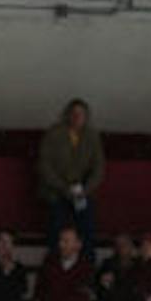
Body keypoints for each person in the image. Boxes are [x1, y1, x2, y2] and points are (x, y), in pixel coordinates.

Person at [36, 98, 103, 244]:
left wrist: (85, 189)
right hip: (56, 191)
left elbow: (98, 168)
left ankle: (86, 262)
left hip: (82, 192)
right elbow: (45, 165)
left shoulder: (92, 137)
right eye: (74, 113)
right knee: (57, 228)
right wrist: (63, 187)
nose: (77, 118)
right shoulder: (54, 134)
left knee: (86, 229)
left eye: (81, 114)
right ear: (67, 115)